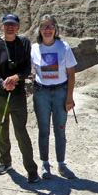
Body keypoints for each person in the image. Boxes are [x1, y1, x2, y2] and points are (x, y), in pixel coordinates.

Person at [0, 14, 39, 183]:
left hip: (17, 95)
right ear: (2, 26)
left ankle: (31, 170)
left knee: (21, 131)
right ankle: (5, 162)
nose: (10, 27)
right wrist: (4, 83)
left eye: (13, 25)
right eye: (7, 24)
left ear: (18, 27)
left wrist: (15, 78)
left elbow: (26, 68)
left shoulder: (24, 43)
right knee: (2, 129)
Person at [30, 14, 78, 179]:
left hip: (60, 93)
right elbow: (25, 70)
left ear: (56, 29)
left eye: (50, 26)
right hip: (41, 93)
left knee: (60, 129)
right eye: (44, 26)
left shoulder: (63, 47)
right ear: (39, 30)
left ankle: (61, 164)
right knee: (43, 130)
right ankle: (45, 164)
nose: (47, 29)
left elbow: (71, 74)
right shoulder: (34, 48)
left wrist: (69, 97)